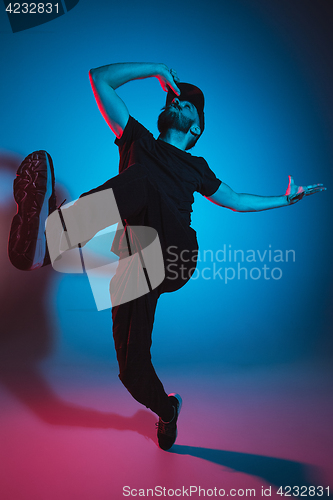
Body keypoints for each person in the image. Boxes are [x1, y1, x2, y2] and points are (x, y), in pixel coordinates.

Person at [8, 62, 326, 451]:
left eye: (189, 106)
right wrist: (155, 69)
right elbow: (99, 79)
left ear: (196, 129)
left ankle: (50, 241)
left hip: (175, 254)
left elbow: (238, 201)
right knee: (131, 368)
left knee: (141, 181)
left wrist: (285, 199)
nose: (178, 101)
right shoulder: (137, 139)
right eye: (175, 97)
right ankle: (167, 410)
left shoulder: (196, 166)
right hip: (134, 260)